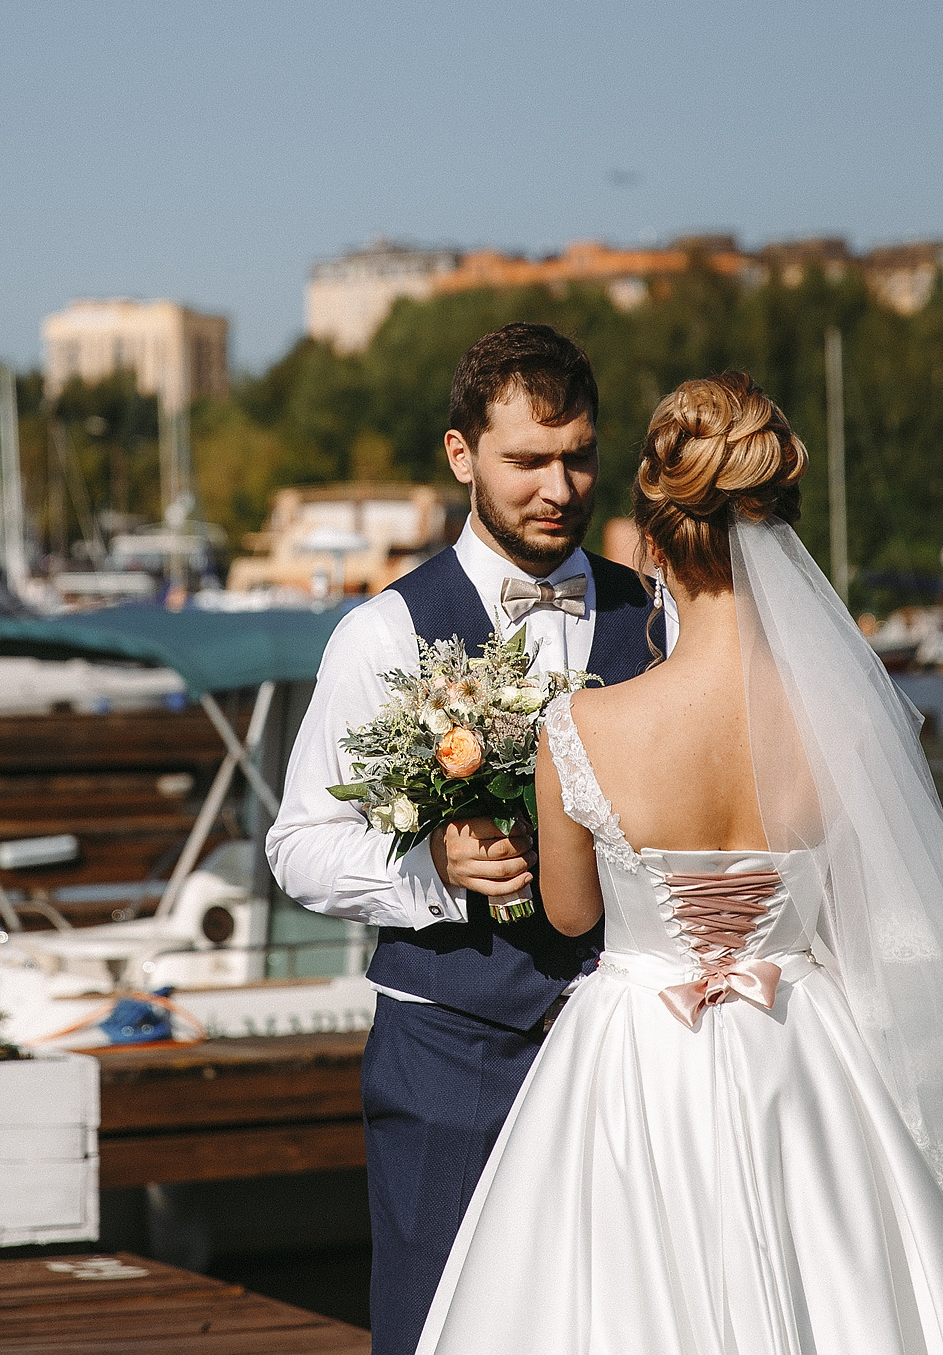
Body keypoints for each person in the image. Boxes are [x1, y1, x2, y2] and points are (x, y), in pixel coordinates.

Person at [416, 373, 943, 1354]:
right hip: (803, 1048)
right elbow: (872, 913)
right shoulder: (850, 720)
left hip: (637, 1058)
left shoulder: (580, 725)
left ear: (652, 543)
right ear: (780, 531)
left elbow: (569, 914)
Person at [266, 322, 671, 1355]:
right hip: (450, 1057)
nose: (559, 487)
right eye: (528, 459)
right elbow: (298, 844)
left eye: (579, 456)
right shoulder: (381, 633)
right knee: (436, 1331)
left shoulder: (655, 619)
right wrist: (434, 871)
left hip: (628, 1055)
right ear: (462, 455)